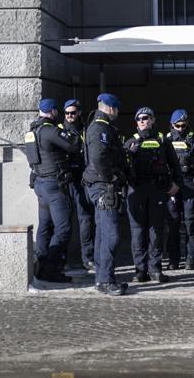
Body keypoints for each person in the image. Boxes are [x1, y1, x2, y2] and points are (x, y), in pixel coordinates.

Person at [125, 107, 180, 284]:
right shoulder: (130, 142)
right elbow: (121, 166)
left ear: (153, 120)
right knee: (138, 232)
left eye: (145, 118)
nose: (142, 121)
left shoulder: (162, 140)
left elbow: (174, 164)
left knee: (156, 230)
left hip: (157, 189)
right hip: (137, 189)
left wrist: (176, 183)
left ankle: (155, 269)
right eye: (139, 119)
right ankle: (140, 270)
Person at [24, 98, 76, 283]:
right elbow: (73, 145)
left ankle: (41, 264)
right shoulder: (50, 131)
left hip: (40, 183)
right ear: (53, 111)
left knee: (45, 227)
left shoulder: (32, 131)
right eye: (57, 111)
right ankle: (51, 270)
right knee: (63, 228)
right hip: (54, 185)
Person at [82, 93, 129, 296]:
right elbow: (99, 157)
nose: (117, 113)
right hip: (102, 186)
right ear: (110, 108)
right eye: (116, 109)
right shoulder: (100, 128)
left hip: (99, 184)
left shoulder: (100, 126)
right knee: (111, 234)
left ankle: (102, 279)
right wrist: (111, 178)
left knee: (102, 232)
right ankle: (106, 280)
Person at [166, 109, 194, 271]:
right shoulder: (167, 140)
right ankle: (173, 259)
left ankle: (190, 259)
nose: (181, 128)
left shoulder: (193, 139)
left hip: (190, 185)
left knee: (190, 224)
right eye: (178, 125)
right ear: (172, 124)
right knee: (173, 224)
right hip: (172, 186)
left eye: (184, 125)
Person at [61, 99, 95, 272]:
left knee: (86, 221)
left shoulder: (85, 130)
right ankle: (63, 259)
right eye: (67, 113)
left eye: (72, 113)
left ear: (79, 112)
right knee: (63, 222)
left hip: (82, 180)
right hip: (66, 181)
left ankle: (87, 258)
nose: (69, 116)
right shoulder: (59, 130)